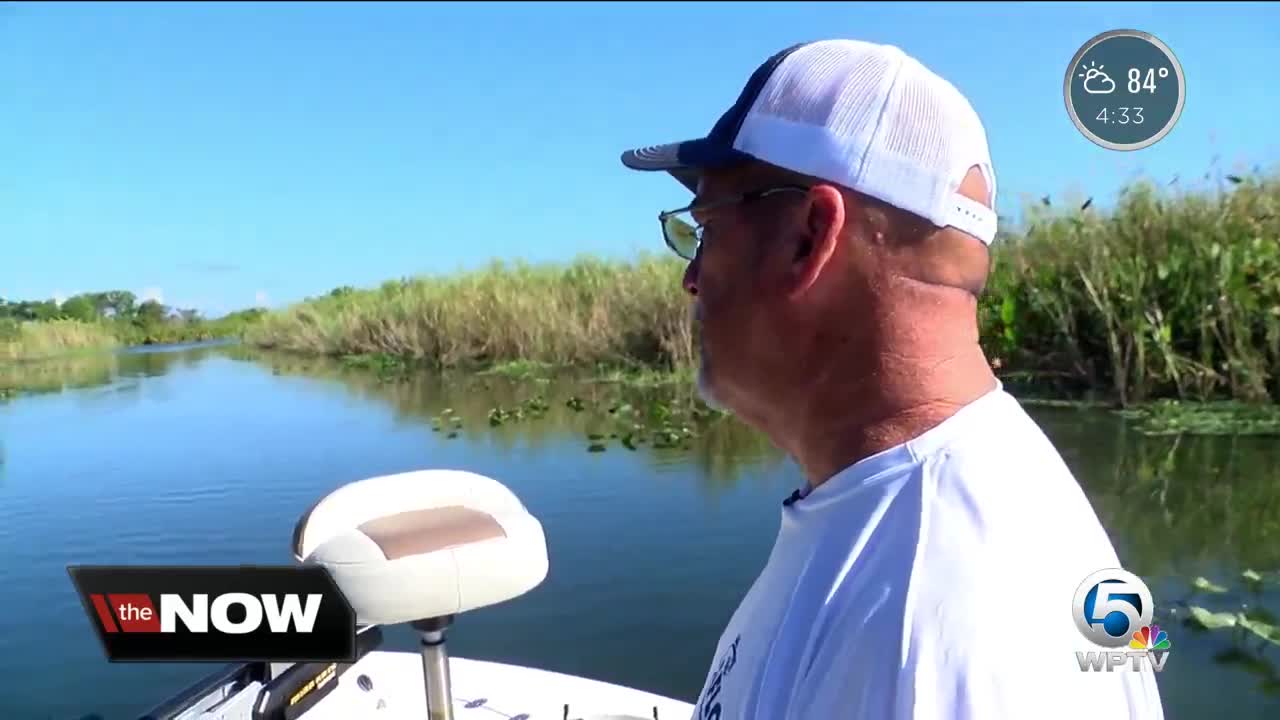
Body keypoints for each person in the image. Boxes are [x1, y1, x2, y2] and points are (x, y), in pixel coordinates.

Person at [619, 39, 1165, 720]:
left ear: (808, 237)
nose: (691, 279)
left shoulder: (944, 624)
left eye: (706, 229)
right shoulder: (917, 509)